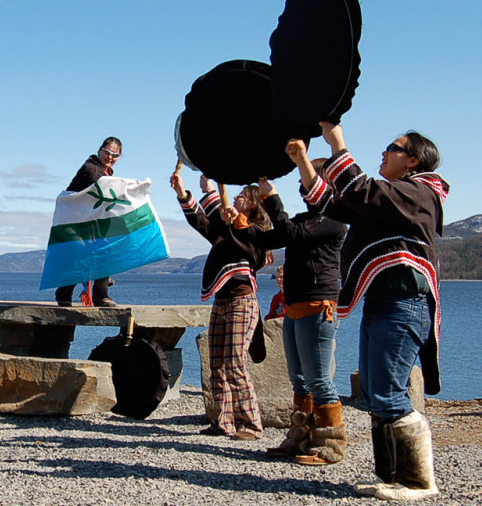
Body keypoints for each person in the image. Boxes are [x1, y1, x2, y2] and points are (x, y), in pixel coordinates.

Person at [288, 122, 447, 500]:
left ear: (412, 161)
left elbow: (361, 190)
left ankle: (418, 481)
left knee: (389, 392)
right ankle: (392, 477)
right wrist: (302, 161)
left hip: (406, 303)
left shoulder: (420, 193)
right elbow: (334, 204)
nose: (384, 152)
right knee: (376, 392)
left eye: (392, 148)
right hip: (383, 304)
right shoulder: (389, 202)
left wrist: (338, 143)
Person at [170, 173, 278, 440]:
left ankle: (251, 424)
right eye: (237, 194)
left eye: (242, 196)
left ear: (252, 205)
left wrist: (214, 196)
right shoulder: (228, 231)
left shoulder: (256, 233)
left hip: (242, 301)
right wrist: (183, 192)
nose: (238, 197)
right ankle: (223, 421)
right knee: (217, 362)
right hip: (222, 300)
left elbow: (239, 234)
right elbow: (202, 222)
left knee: (234, 362)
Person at [259, 168, 347, 466]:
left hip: (318, 304)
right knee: (299, 379)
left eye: (306, 180)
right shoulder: (304, 220)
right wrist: (236, 223)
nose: (300, 183)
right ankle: (301, 437)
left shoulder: (334, 222)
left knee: (319, 380)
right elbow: (273, 236)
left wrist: (271, 198)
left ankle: (331, 445)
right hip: (296, 306)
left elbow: (290, 234)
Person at [55, 137, 122, 307]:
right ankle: (67, 292)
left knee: (102, 249)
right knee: (84, 252)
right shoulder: (91, 168)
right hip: (74, 221)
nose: (110, 157)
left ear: (119, 157)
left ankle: (96, 294)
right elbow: (99, 190)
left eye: (115, 155)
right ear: (100, 150)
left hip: (87, 222)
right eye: (107, 152)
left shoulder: (107, 174)